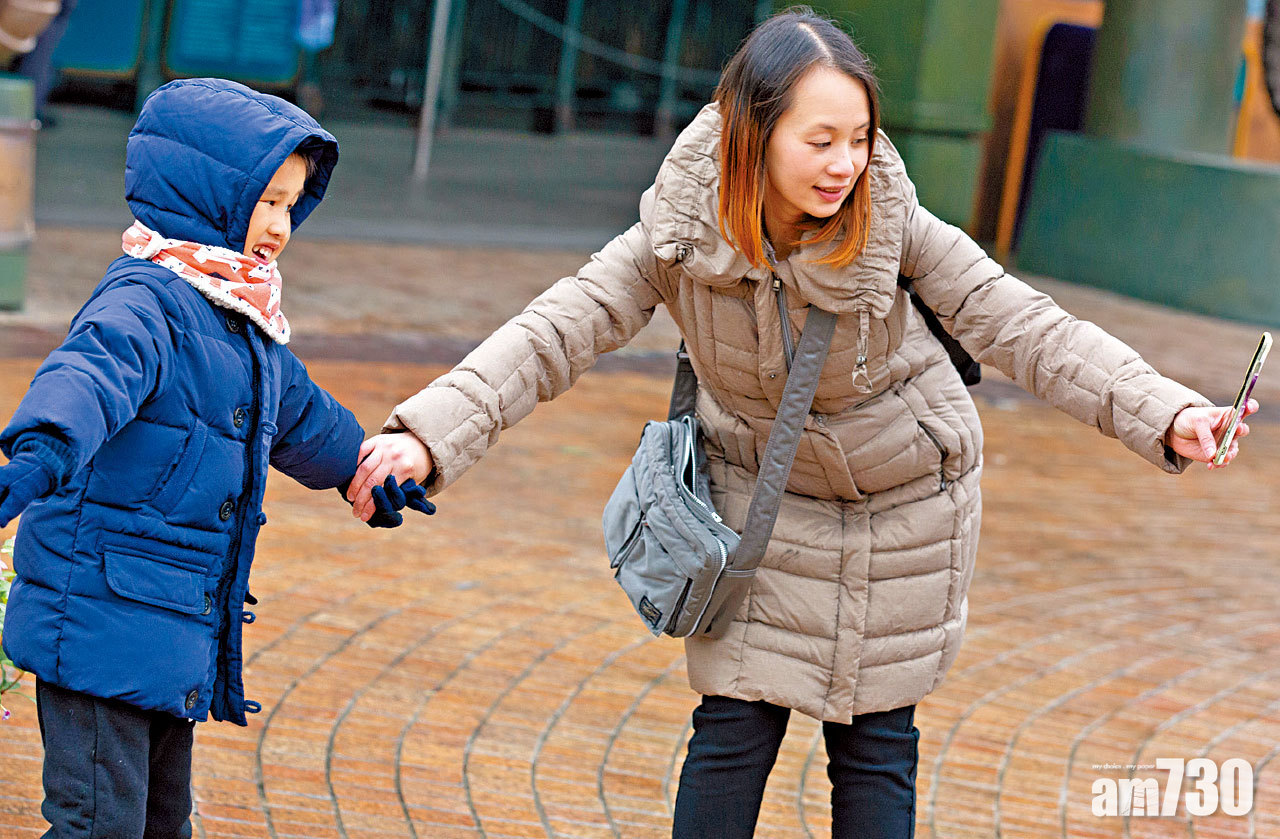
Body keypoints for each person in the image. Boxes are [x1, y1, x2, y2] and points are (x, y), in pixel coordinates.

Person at [345, 9, 1256, 838]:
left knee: (874, 749)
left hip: (904, 509)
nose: (844, 163)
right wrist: (427, 436)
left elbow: (1025, 326)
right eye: (819, 140)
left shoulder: (893, 224)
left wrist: (1166, 410)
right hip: (760, 505)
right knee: (731, 729)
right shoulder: (680, 231)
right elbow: (553, 331)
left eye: (858, 138)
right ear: (753, 135)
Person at [0, 78, 430, 838]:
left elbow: (302, 415)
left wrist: (362, 469)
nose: (280, 226)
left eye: (291, 205)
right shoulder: (144, 302)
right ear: (206, 196)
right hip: (98, 611)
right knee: (98, 825)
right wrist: (36, 455)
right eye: (266, 201)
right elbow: (88, 379)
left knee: (162, 824)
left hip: (171, 624)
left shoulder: (239, 313)